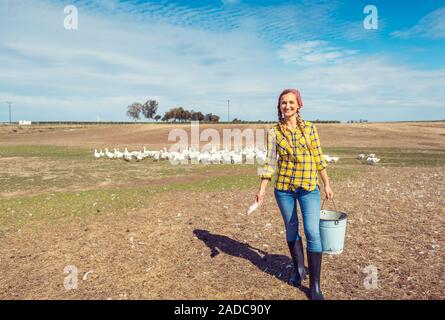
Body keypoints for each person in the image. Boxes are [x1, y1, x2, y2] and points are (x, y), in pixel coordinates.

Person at [255, 88, 334, 300]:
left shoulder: (310, 128)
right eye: (283, 103)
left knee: (312, 232)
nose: (287, 106)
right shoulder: (274, 131)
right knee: (291, 229)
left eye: (291, 102)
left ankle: (315, 286)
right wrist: (262, 189)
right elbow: (270, 161)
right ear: (279, 107)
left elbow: (318, 157)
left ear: (299, 105)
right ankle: (299, 270)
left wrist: (326, 183)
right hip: (284, 189)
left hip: (309, 187)